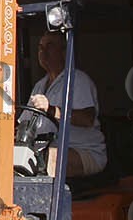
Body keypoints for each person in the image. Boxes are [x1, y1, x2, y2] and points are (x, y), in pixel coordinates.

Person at [18, 29, 107, 177]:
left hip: (82, 150)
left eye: (50, 46)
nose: (43, 52)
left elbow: (87, 119)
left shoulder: (78, 80)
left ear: (64, 52)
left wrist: (51, 109)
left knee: (49, 159)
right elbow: (25, 122)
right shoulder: (40, 85)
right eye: (40, 47)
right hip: (46, 148)